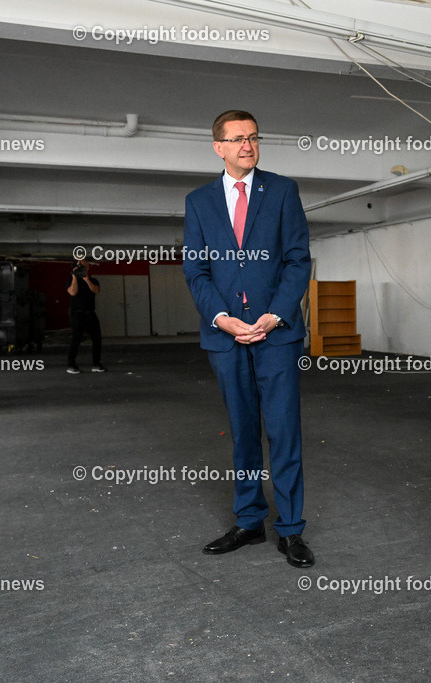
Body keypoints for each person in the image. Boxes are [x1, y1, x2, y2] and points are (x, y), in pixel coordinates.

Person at [183, 110, 314, 568]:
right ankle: (249, 521)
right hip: (226, 337)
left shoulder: (281, 191)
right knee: (242, 435)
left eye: (254, 138)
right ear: (218, 147)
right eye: (237, 139)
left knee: (283, 433)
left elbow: (298, 260)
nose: (248, 146)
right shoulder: (198, 202)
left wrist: (276, 315)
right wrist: (221, 318)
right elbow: (196, 270)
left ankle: (291, 531)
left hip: (275, 335)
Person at [66, 259, 105, 374]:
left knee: (97, 339)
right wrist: (74, 277)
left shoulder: (93, 280)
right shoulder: (70, 280)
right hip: (77, 313)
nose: (84, 268)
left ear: (88, 268)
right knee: (76, 339)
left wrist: (87, 279)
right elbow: (72, 292)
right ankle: (71, 365)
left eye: (85, 266)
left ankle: (96, 364)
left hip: (90, 313)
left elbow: (96, 291)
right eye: (81, 266)